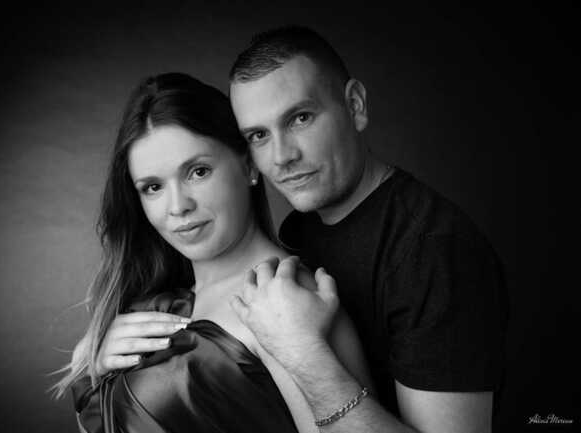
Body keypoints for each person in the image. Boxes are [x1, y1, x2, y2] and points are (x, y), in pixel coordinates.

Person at [90, 27, 508, 432]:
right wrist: (101, 364)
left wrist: (304, 354)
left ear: (355, 105)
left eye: (301, 118)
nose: (281, 156)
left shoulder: (432, 250)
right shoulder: (301, 231)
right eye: (258, 135)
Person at [54, 72, 368, 433]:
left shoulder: (287, 300)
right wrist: (93, 369)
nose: (178, 206)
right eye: (153, 187)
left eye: (198, 172)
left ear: (248, 166)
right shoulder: (162, 304)